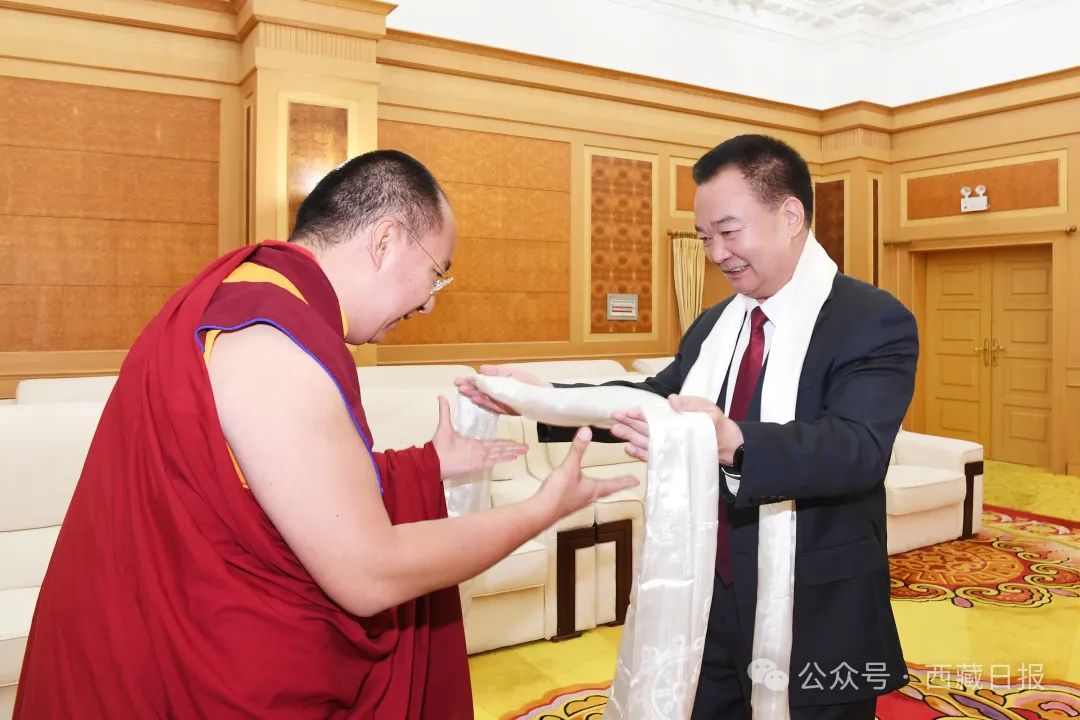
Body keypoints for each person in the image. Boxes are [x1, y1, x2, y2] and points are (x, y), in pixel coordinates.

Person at [15, 150, 636, 719]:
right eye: (436, 274)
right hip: (202, 668)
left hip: (159, 628)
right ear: (386, 240)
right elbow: (368, 575)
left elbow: (269, 485)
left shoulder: (250, 298)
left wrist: (423, 465)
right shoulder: (273, 344)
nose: (428, 305)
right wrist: (539, 510)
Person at [458, 134, 918, 719]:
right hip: (704, 591)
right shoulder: (715, 325)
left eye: (729, 232)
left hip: (816, 603)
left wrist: (734, 443)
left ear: (790, 216)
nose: (717, 253)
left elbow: (857, 449)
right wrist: (545, 399)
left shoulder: (871, 320)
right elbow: (653, 400)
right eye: (704, 238)